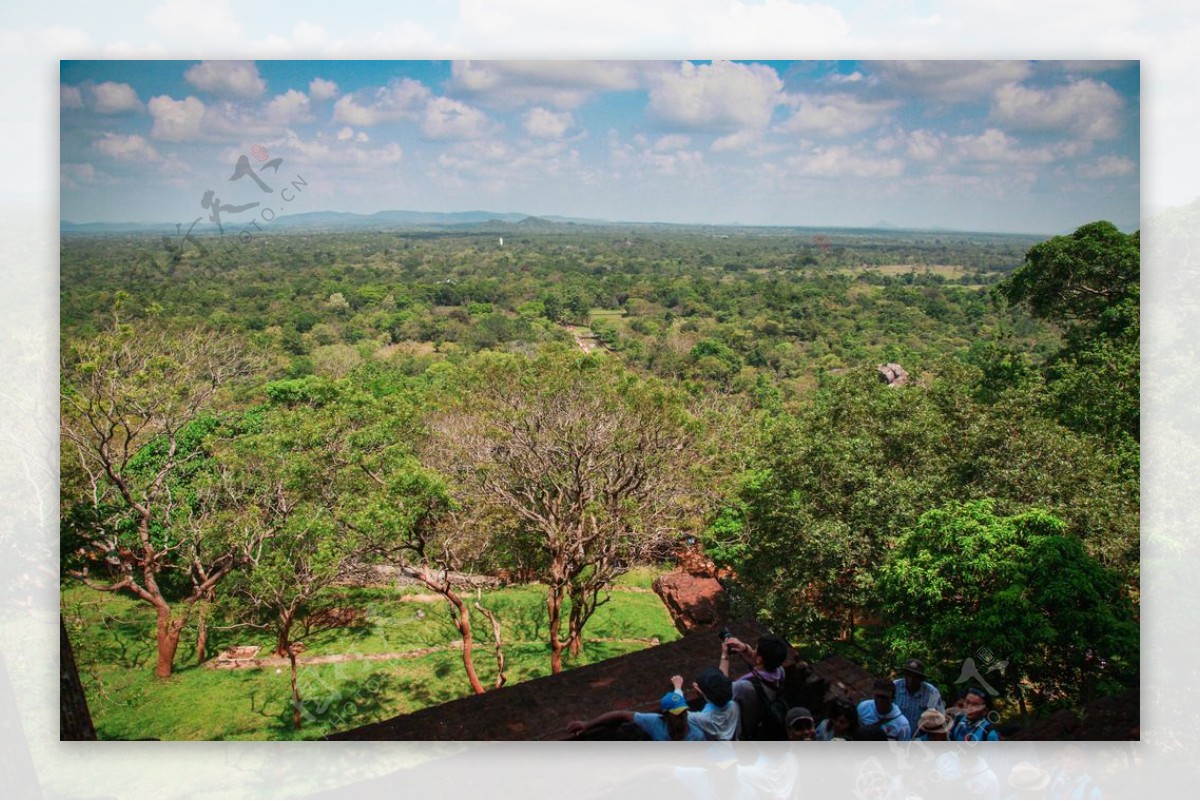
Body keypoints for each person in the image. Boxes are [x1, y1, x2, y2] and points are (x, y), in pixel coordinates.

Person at [566, 687, 706, 741]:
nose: (682, 718)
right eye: (677, 714)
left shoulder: (697, 737)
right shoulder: (655, 722)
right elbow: (622, 715)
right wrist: (588, 724)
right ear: (665, 716)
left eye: (683, 713)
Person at [719, 633, 789, 739]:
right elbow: (760, 664)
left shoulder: (744, 686)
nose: (753, 651)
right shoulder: (780, 672)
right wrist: (745, 649)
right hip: (767, 722)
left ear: (760, 659)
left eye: (755, 649)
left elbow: (721, 689)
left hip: (746, 732)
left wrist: (724, 656)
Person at [684, 667, 741, 741]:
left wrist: (677, 687)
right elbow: (721, 689)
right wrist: (704, 692)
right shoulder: (734, 706)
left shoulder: (701, 718)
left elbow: (680, 712)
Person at [894, 658, 944, 739]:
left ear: (921, 678)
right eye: (908, 675)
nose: (911, 680)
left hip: (920, 741)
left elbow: (938, 722)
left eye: (915, 677)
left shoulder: (932, 692)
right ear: (904, 674)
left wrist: (922, 740)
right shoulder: (895, 687)